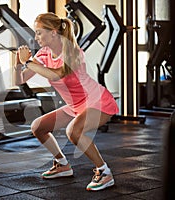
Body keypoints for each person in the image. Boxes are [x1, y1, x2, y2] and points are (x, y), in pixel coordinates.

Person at [13, 12, 119, 191]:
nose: (36, 37)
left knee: (74, 131)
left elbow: (58, 74)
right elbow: (19, 80)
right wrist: (18, 64)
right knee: (38, 127)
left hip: (97, 101)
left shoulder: (72, 51)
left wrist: (28, 62)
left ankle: (104, 172)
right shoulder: (44, 54)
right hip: (75, 106)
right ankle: (62, 164)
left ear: (53, 32)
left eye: (39, 32)